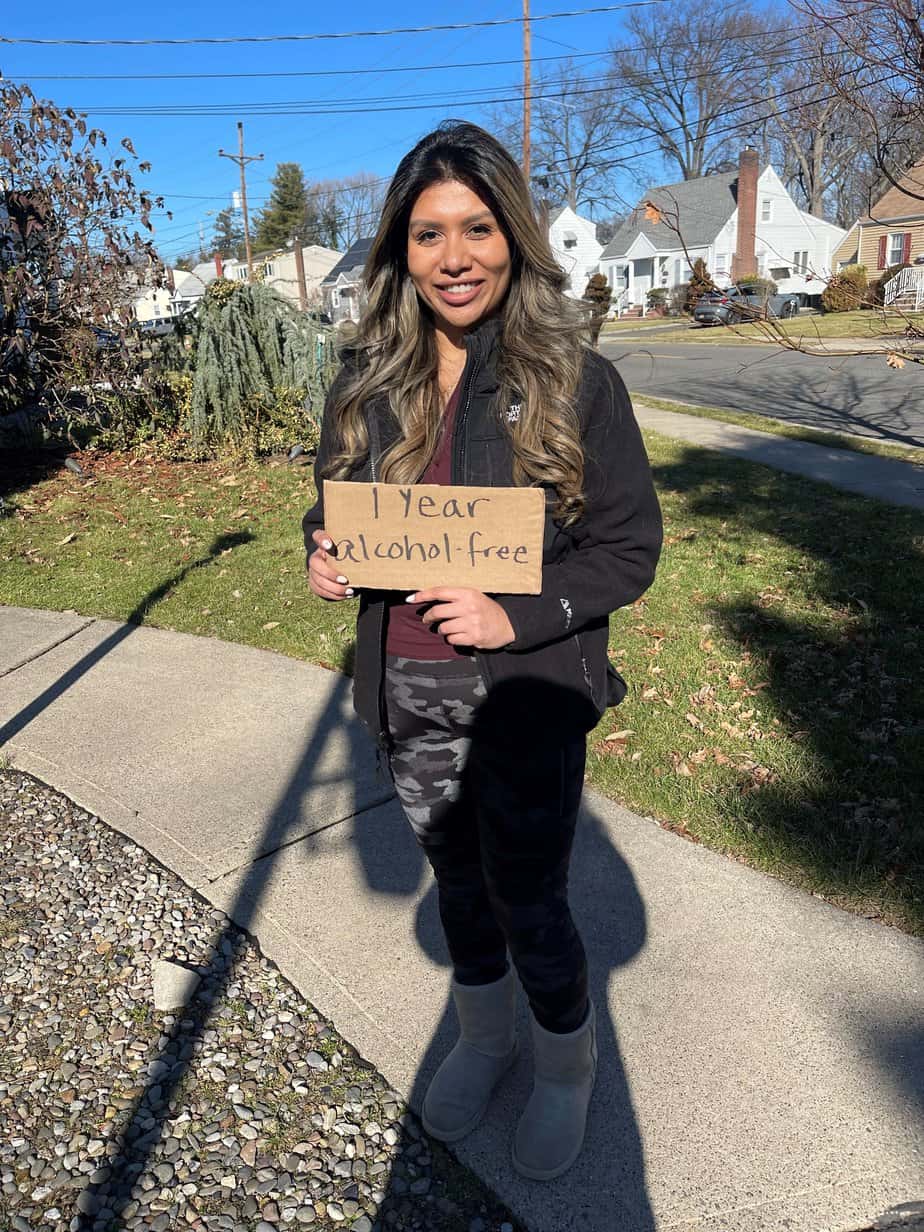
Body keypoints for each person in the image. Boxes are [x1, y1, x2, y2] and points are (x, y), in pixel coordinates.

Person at [303, 121, 661, 1181]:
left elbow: (628, 545)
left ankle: (565, 1062)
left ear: (513, 237)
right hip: (404, 679)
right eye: (426, 235)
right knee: (456, 877)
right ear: (398, 252)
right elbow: (333, 511)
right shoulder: (365, 381)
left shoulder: (577, 382)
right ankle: (488, 1034)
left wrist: (525, 610)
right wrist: (323, 552)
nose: (453, 256)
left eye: (475, 228)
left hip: (522, 693)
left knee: (530, 891)